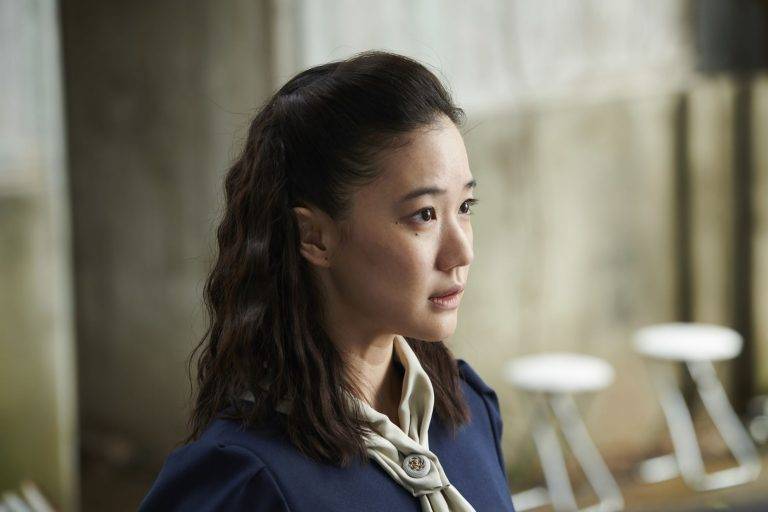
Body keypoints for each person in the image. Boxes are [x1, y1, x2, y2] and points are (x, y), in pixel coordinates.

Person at [139, 50, 515, 512]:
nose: (462, 253)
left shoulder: (469, 410)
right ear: (315, 236)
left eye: (465, 207)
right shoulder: (245, 480)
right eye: (423, 215)